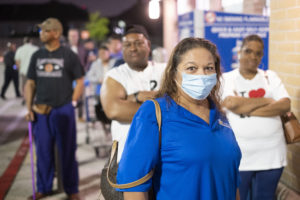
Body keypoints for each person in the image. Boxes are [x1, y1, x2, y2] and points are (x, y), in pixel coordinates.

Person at [116, 37, 241, 200]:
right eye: (191, 68)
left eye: (209, 68)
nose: (202, 75)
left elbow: (231, 181)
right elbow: (134, 188)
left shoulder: (219, 115)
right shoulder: (154, 113)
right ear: (174, 73)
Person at [221, 34, 290, 200]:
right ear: (240, 52)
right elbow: (230, 103)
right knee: (238, 197)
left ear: (262, 56)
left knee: (265, 197)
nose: (253, 56)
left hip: (271, 154)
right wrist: (267, 100)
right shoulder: (227, 78)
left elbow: (285, 105)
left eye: (258, 53)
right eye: (248, 51)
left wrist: (244, 109)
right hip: (240, 156)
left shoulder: (269, 77)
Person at [24, 18, 85, 200]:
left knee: (67, 151)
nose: (42, 33)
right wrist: (29, 107)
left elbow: (80, 80)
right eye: (41, 30)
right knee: (43, 152)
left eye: (45, 30)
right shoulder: (36, 56)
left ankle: (71, 189)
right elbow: (30, 83)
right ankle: (44, 187)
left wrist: (73, 101)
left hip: (63, 109)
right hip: (41, 111)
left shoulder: (68, 55)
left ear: (56, 33)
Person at [100, 24, 166, 162]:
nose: (133, 48)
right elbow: (114, 110)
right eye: (127, 44)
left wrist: (131, 99)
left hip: (166, 155)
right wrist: (162, 105)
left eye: (138, 43)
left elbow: (182, 101)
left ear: (148, 45)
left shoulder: (165, 70)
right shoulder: (115, 75)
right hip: (129, 157)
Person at [15, 37, 38, 103]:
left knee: (24, 85)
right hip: (33, 71)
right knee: (33, 85)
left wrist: (19, 70)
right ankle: (33, 98)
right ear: (30, 41)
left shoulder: (20, 49)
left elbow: (17, 61)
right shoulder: (35, 48)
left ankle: (25, 98)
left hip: (24, 71)